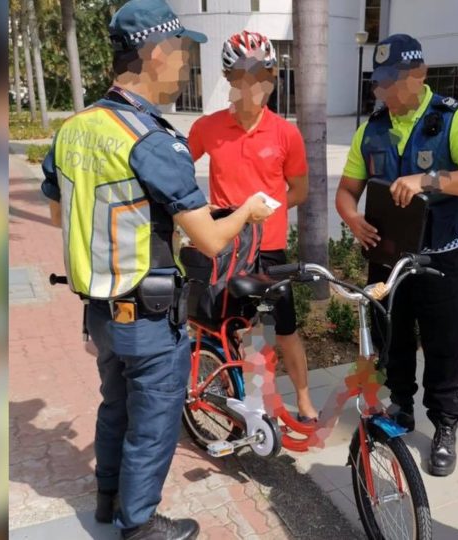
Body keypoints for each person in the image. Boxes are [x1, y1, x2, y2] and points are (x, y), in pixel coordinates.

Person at [40, 1, 272, 538]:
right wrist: (248, 212)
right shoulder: (152, 139)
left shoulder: (75, 129)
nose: (187, 66)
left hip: (99, 311)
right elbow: (212, 240)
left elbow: (60, 213)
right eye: (183, 53)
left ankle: (107, 503)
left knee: (113, 407)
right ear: (155, 53)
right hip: (146, 317)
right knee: (153, 425)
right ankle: (139, 524)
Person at [334, 34, 458, 477]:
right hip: (387, 258)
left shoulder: (453, 119)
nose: (381, 91)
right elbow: (346, 192)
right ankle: (402, 407)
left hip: (440, 259)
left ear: (418, 76)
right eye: (378, 83)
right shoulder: (371, 129)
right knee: (394, 339)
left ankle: (445, 422)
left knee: (443, 345)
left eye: (390, 82)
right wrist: (353, 220)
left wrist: (429, 180)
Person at [186, 30, 318, 422]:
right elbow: (176, 177)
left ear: (273, 75)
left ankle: (305, 399)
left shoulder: (285, 132)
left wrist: (268, 211)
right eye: (243, 74)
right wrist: (201, 209)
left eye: (262, 72)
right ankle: (244, 400)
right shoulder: (206, 129)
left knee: (287, 328)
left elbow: (300, 189)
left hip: (269, 248)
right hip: (224, 247)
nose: (253, 82)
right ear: (229, 79)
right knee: (229, 328)